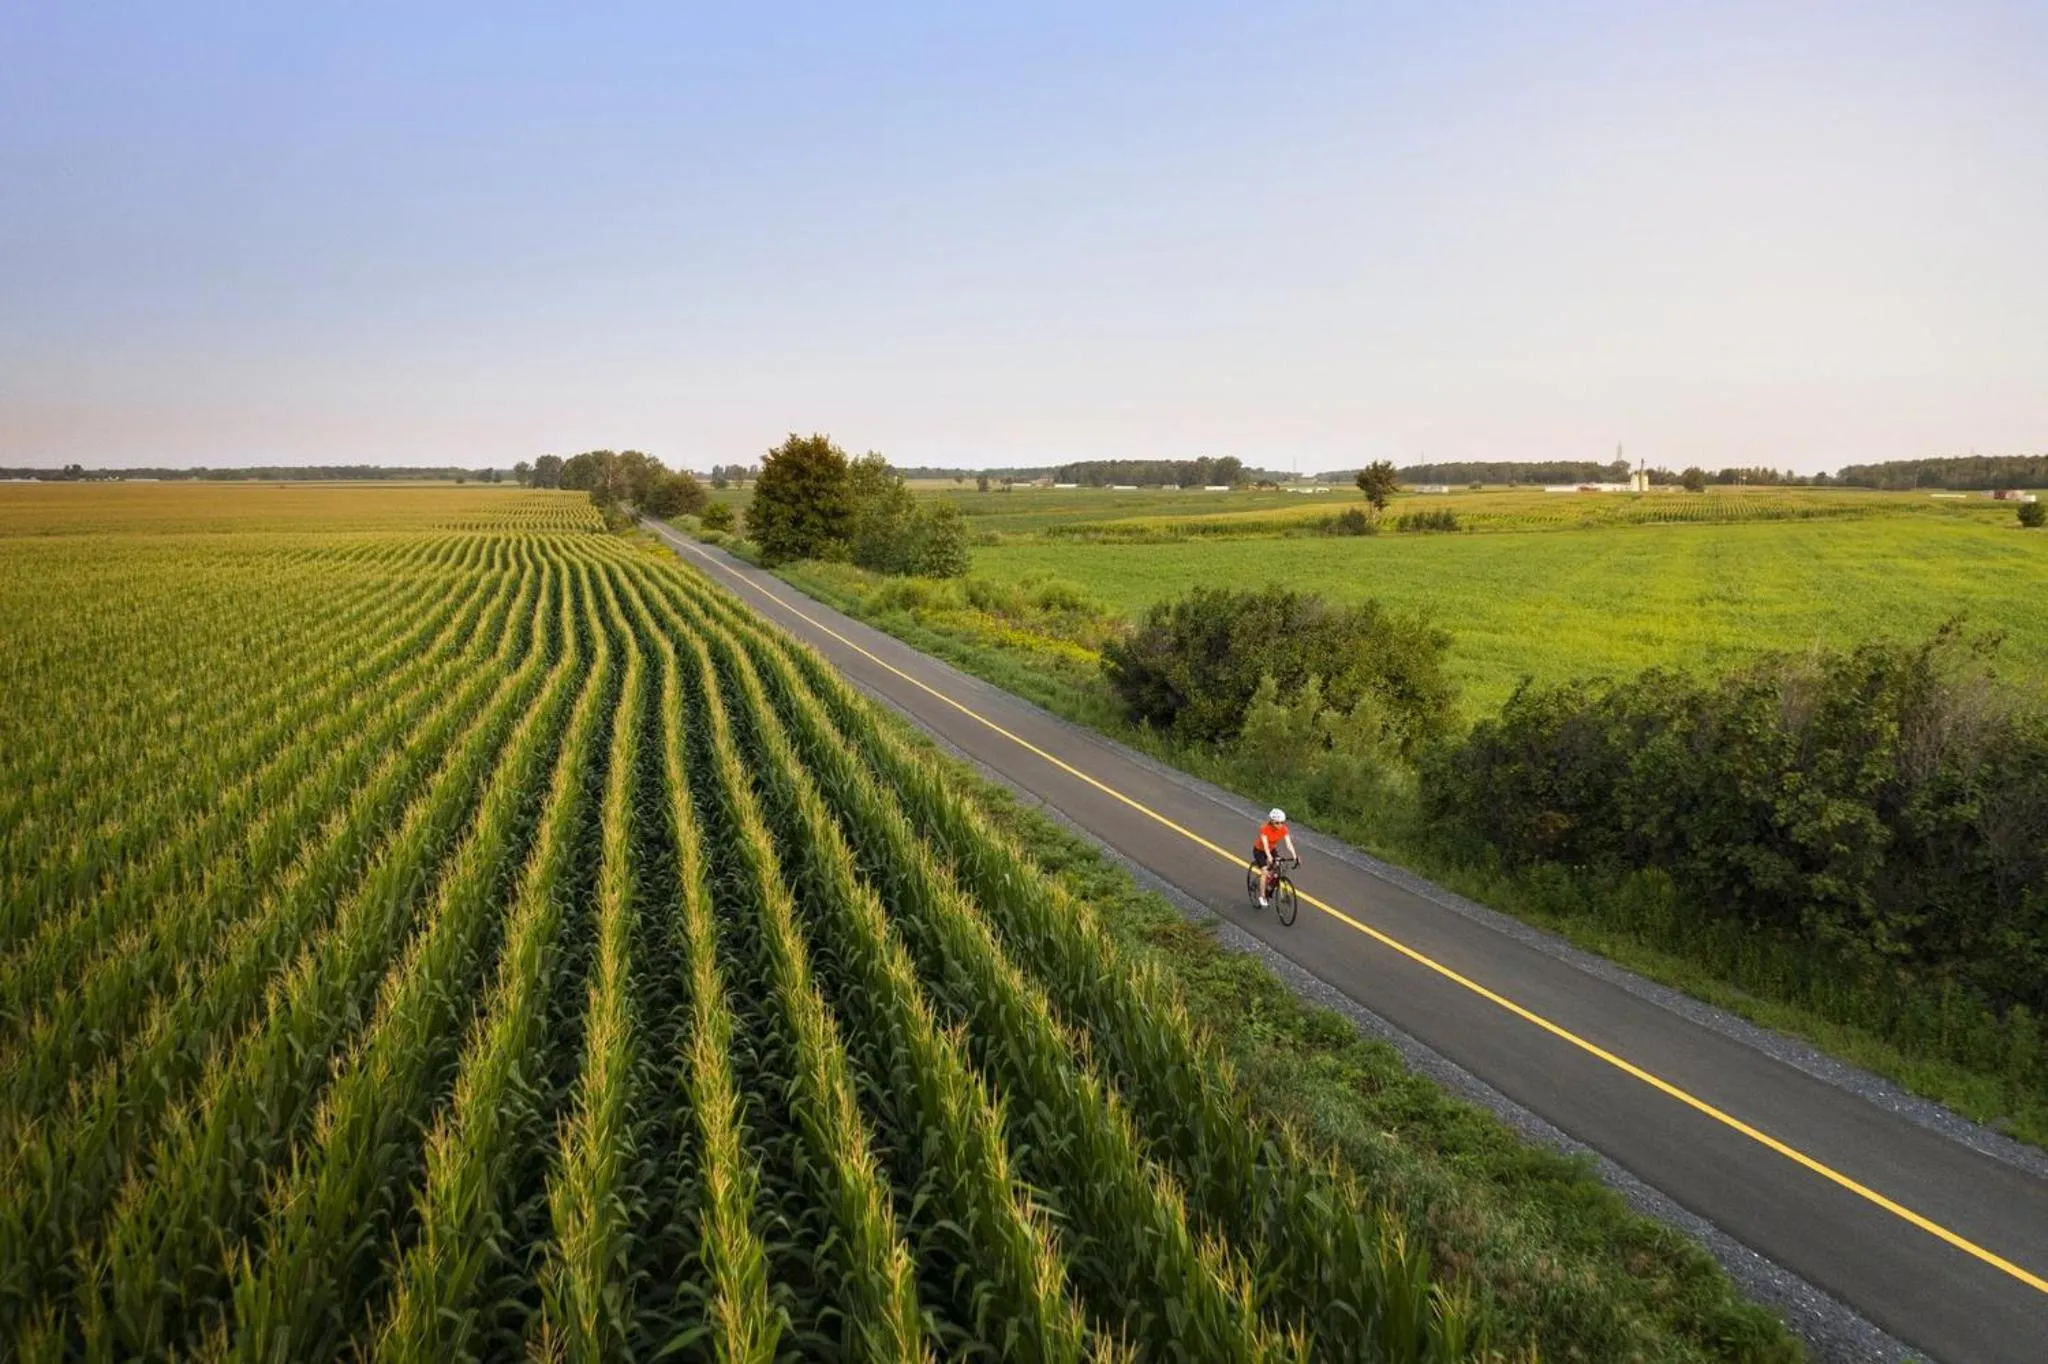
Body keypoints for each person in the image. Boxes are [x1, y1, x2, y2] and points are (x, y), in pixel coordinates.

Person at [1251, 807, 1299, 907]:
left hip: (1272, 850)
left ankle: (1270, 882)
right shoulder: (1264, 829)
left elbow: (1289, 844)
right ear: (1272, 822)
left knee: (1278, 866)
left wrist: (1295, 856)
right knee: (1264, 871)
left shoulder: (1283, 829)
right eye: (1277, 823)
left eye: (1282, 822)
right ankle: (1262, 896)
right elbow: (1265, 844)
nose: (1280, 825)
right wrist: (1268, 856)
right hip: (1260, 851)